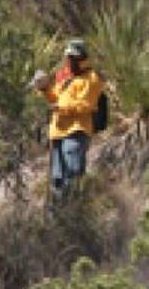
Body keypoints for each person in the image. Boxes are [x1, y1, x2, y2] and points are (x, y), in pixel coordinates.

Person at [31, 38, 105, 204]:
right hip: (58, 133)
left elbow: (87, 105)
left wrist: (61, 107)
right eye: (69, 57)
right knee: (57, 178)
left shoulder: (91, 78)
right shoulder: (65, 77)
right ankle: (60, 216)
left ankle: (76, 212)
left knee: (73, 175)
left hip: (76, 131)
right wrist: (44, 88)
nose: (70, 61)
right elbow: (55, 97)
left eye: (73, 58)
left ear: (82, 58)